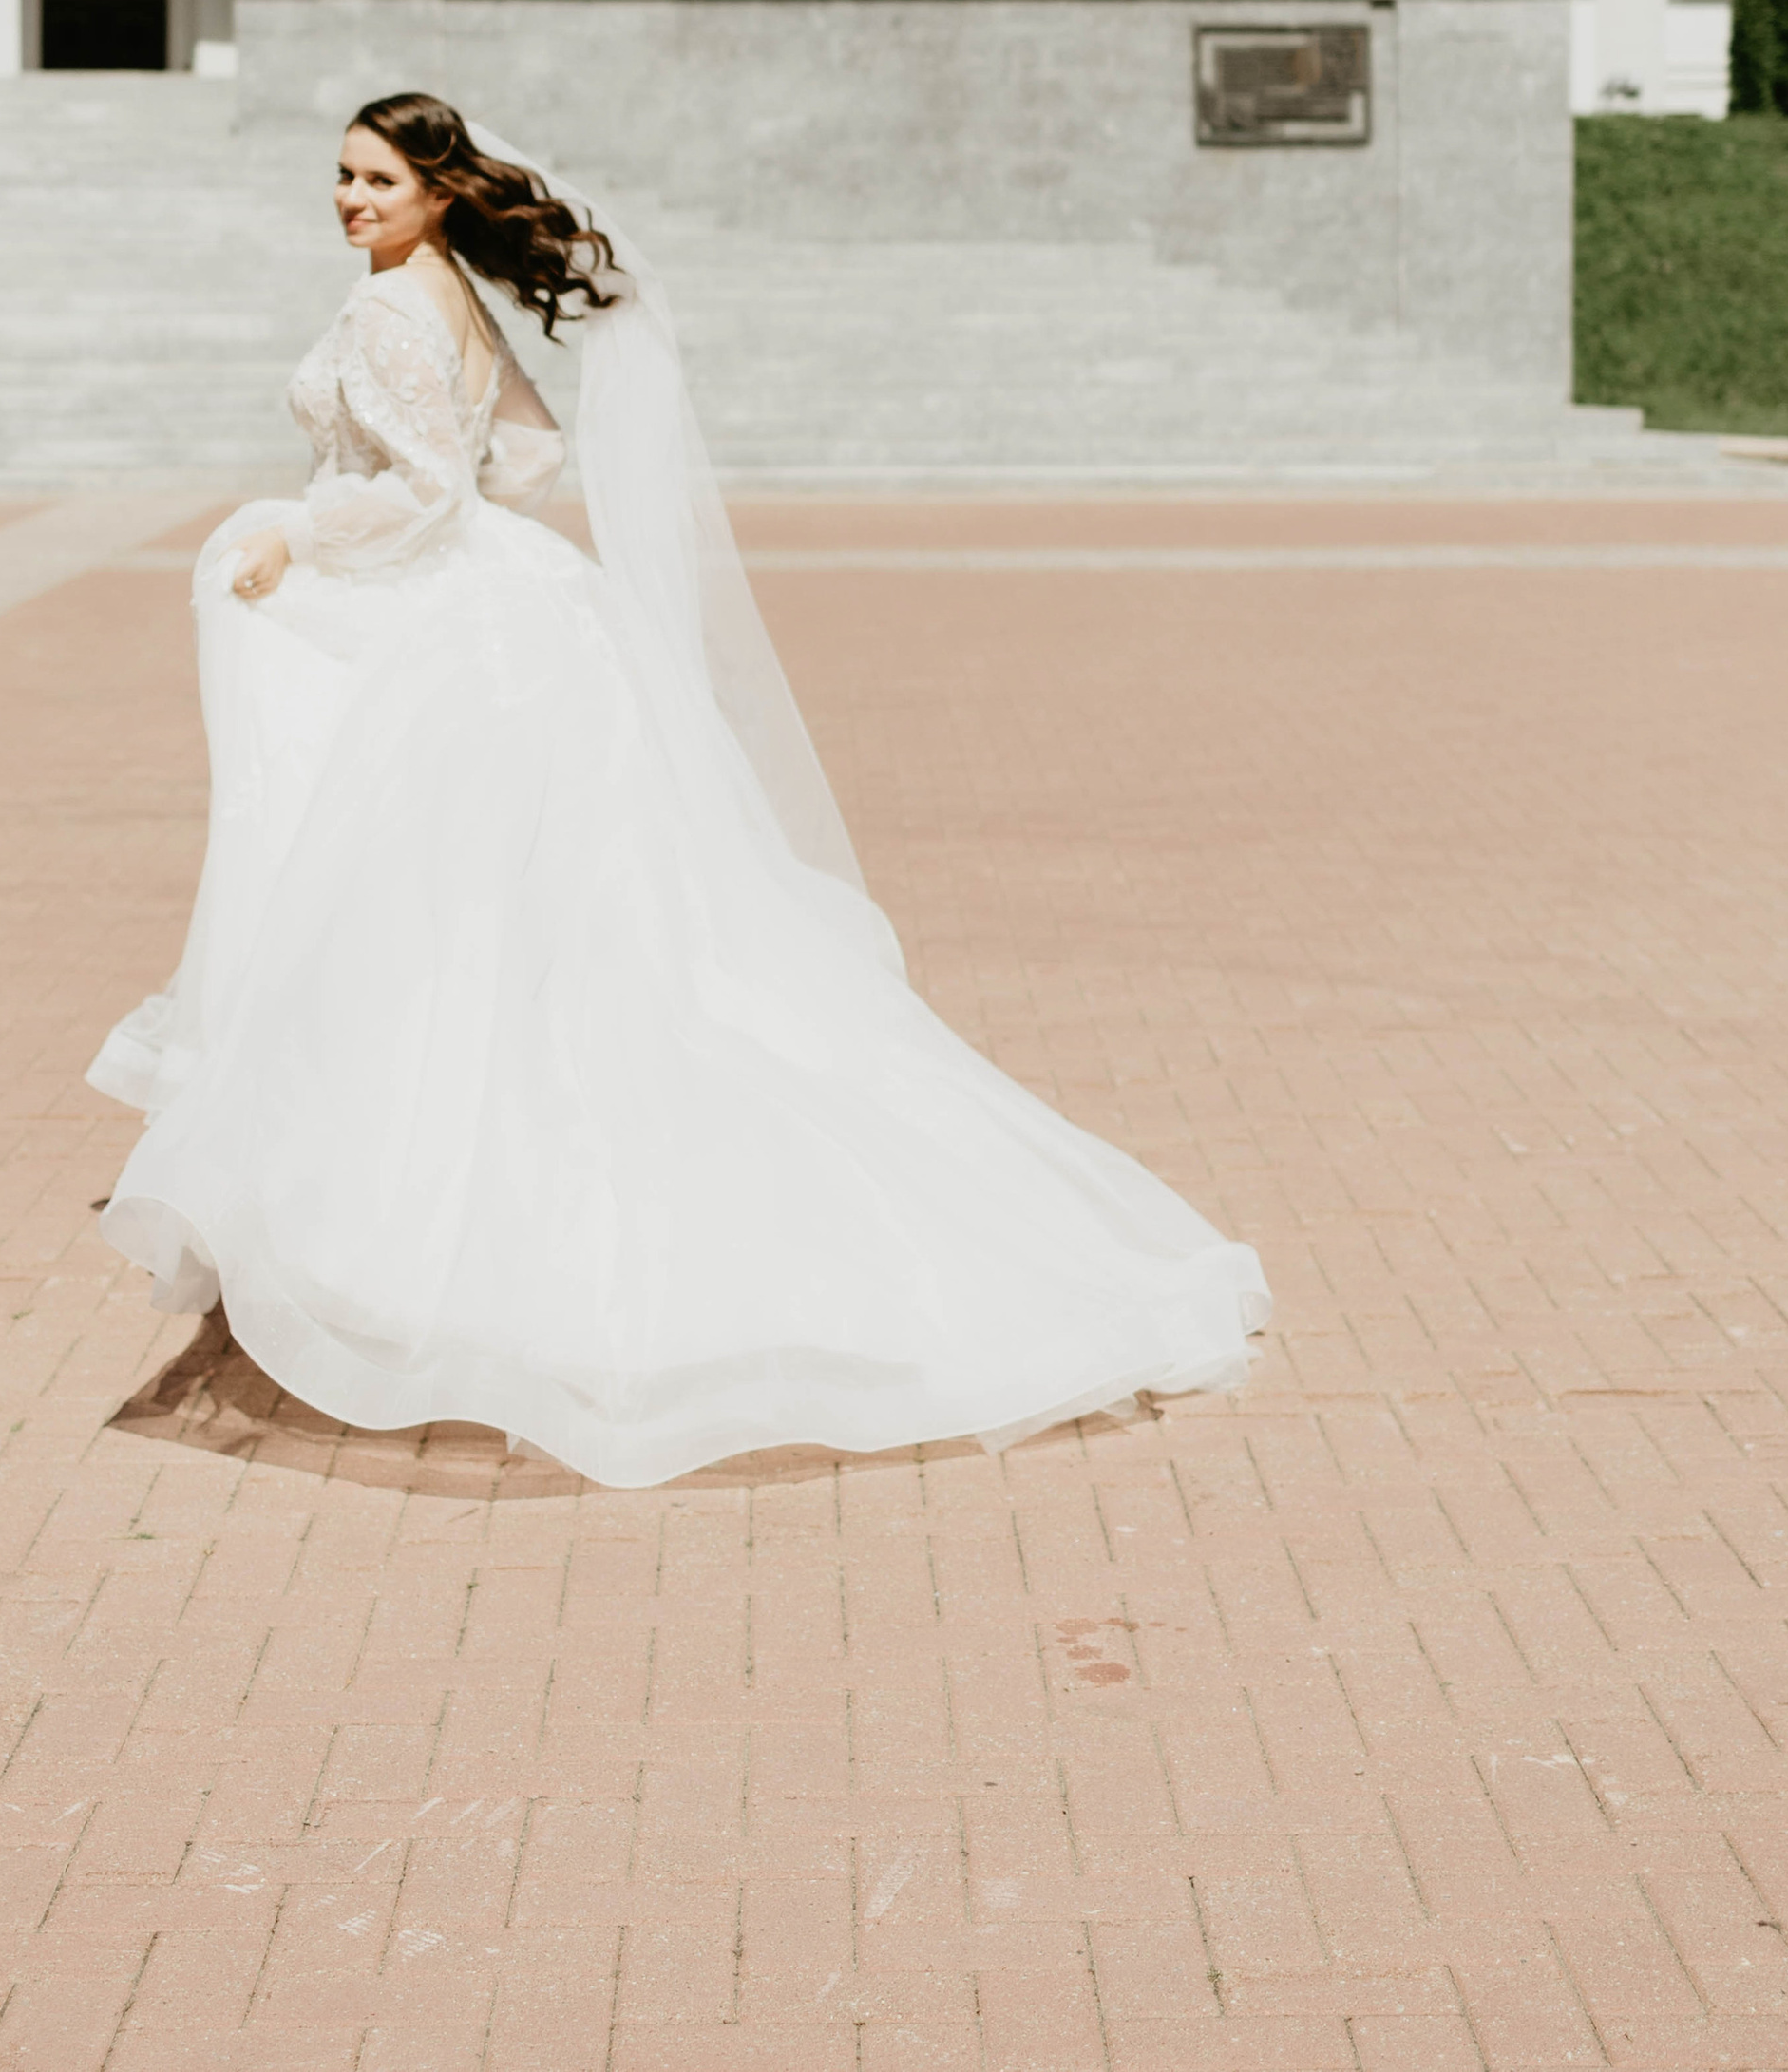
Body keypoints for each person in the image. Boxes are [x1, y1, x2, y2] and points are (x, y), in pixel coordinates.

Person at [90, 92, 1267, 1486]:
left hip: (453, 644)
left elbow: (418, 490)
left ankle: (425, 1262)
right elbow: (521, 453)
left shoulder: (388, 316)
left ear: (435, 193)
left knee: (428, 941)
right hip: (520, 623)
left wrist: (299, 535)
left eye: (375, 180)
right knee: (548, 943)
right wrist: (461, 545)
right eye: (340, 177)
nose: (348, 200)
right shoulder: (453, 299)